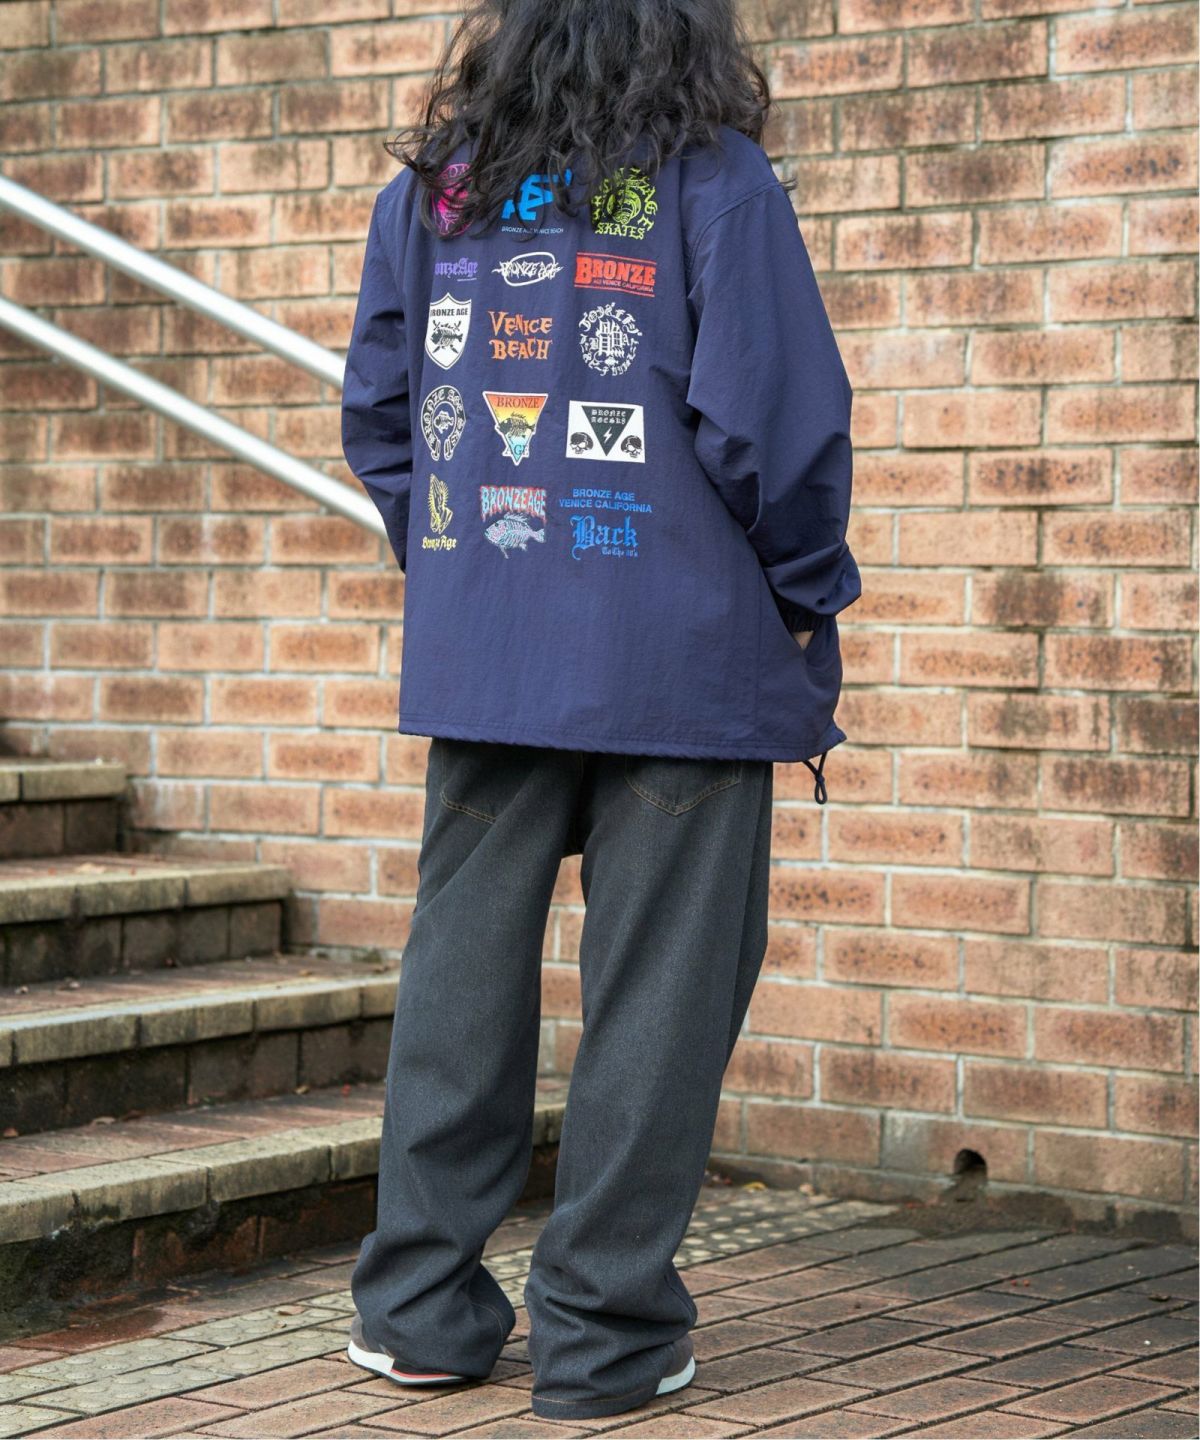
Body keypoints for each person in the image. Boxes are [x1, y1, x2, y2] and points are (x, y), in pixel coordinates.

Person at [339, 0, 860, 1421]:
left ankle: (420, 1312)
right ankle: (602, 1337)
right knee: (661, 998)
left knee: (460, 975)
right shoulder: (717, 183)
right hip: (683, 657)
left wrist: (467, 566)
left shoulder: (439, 189)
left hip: (490, 658)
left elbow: (382, 412)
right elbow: (775, 424)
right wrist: (809, 590)